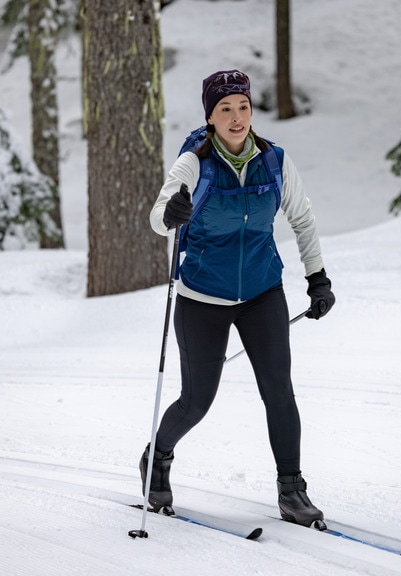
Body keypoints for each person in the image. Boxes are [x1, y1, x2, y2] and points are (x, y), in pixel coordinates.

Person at [140, 69, 335, 528]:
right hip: (202, 296)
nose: (236, 117)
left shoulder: (274, 161)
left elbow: (303, 220)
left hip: (262, 292)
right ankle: (157, 457)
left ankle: (292, 489)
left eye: (243, 107)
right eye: (225, 109)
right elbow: (156, 216)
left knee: (279, 392)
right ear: (210, 116)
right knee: (197, 400)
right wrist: (171, 214)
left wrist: (318, 278)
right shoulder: (195, 162)